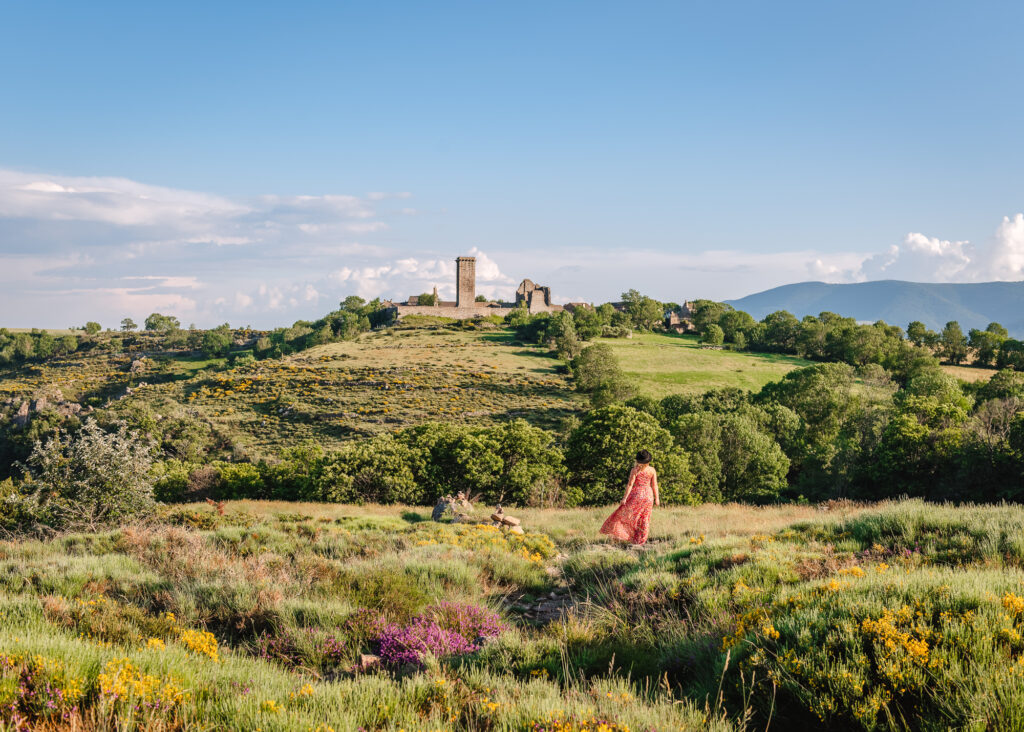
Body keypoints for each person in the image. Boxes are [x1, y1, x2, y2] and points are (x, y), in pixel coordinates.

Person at [599, 449, 660, 546]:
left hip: (637, 495)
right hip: (648, 496)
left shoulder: (635, 470)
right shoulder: (652, 470)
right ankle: (640, 541)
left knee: (625, 515)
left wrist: (624, 498)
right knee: (644, 518)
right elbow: (654, 485)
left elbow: (630, 485)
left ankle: (625, 537)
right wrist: (657, 498)